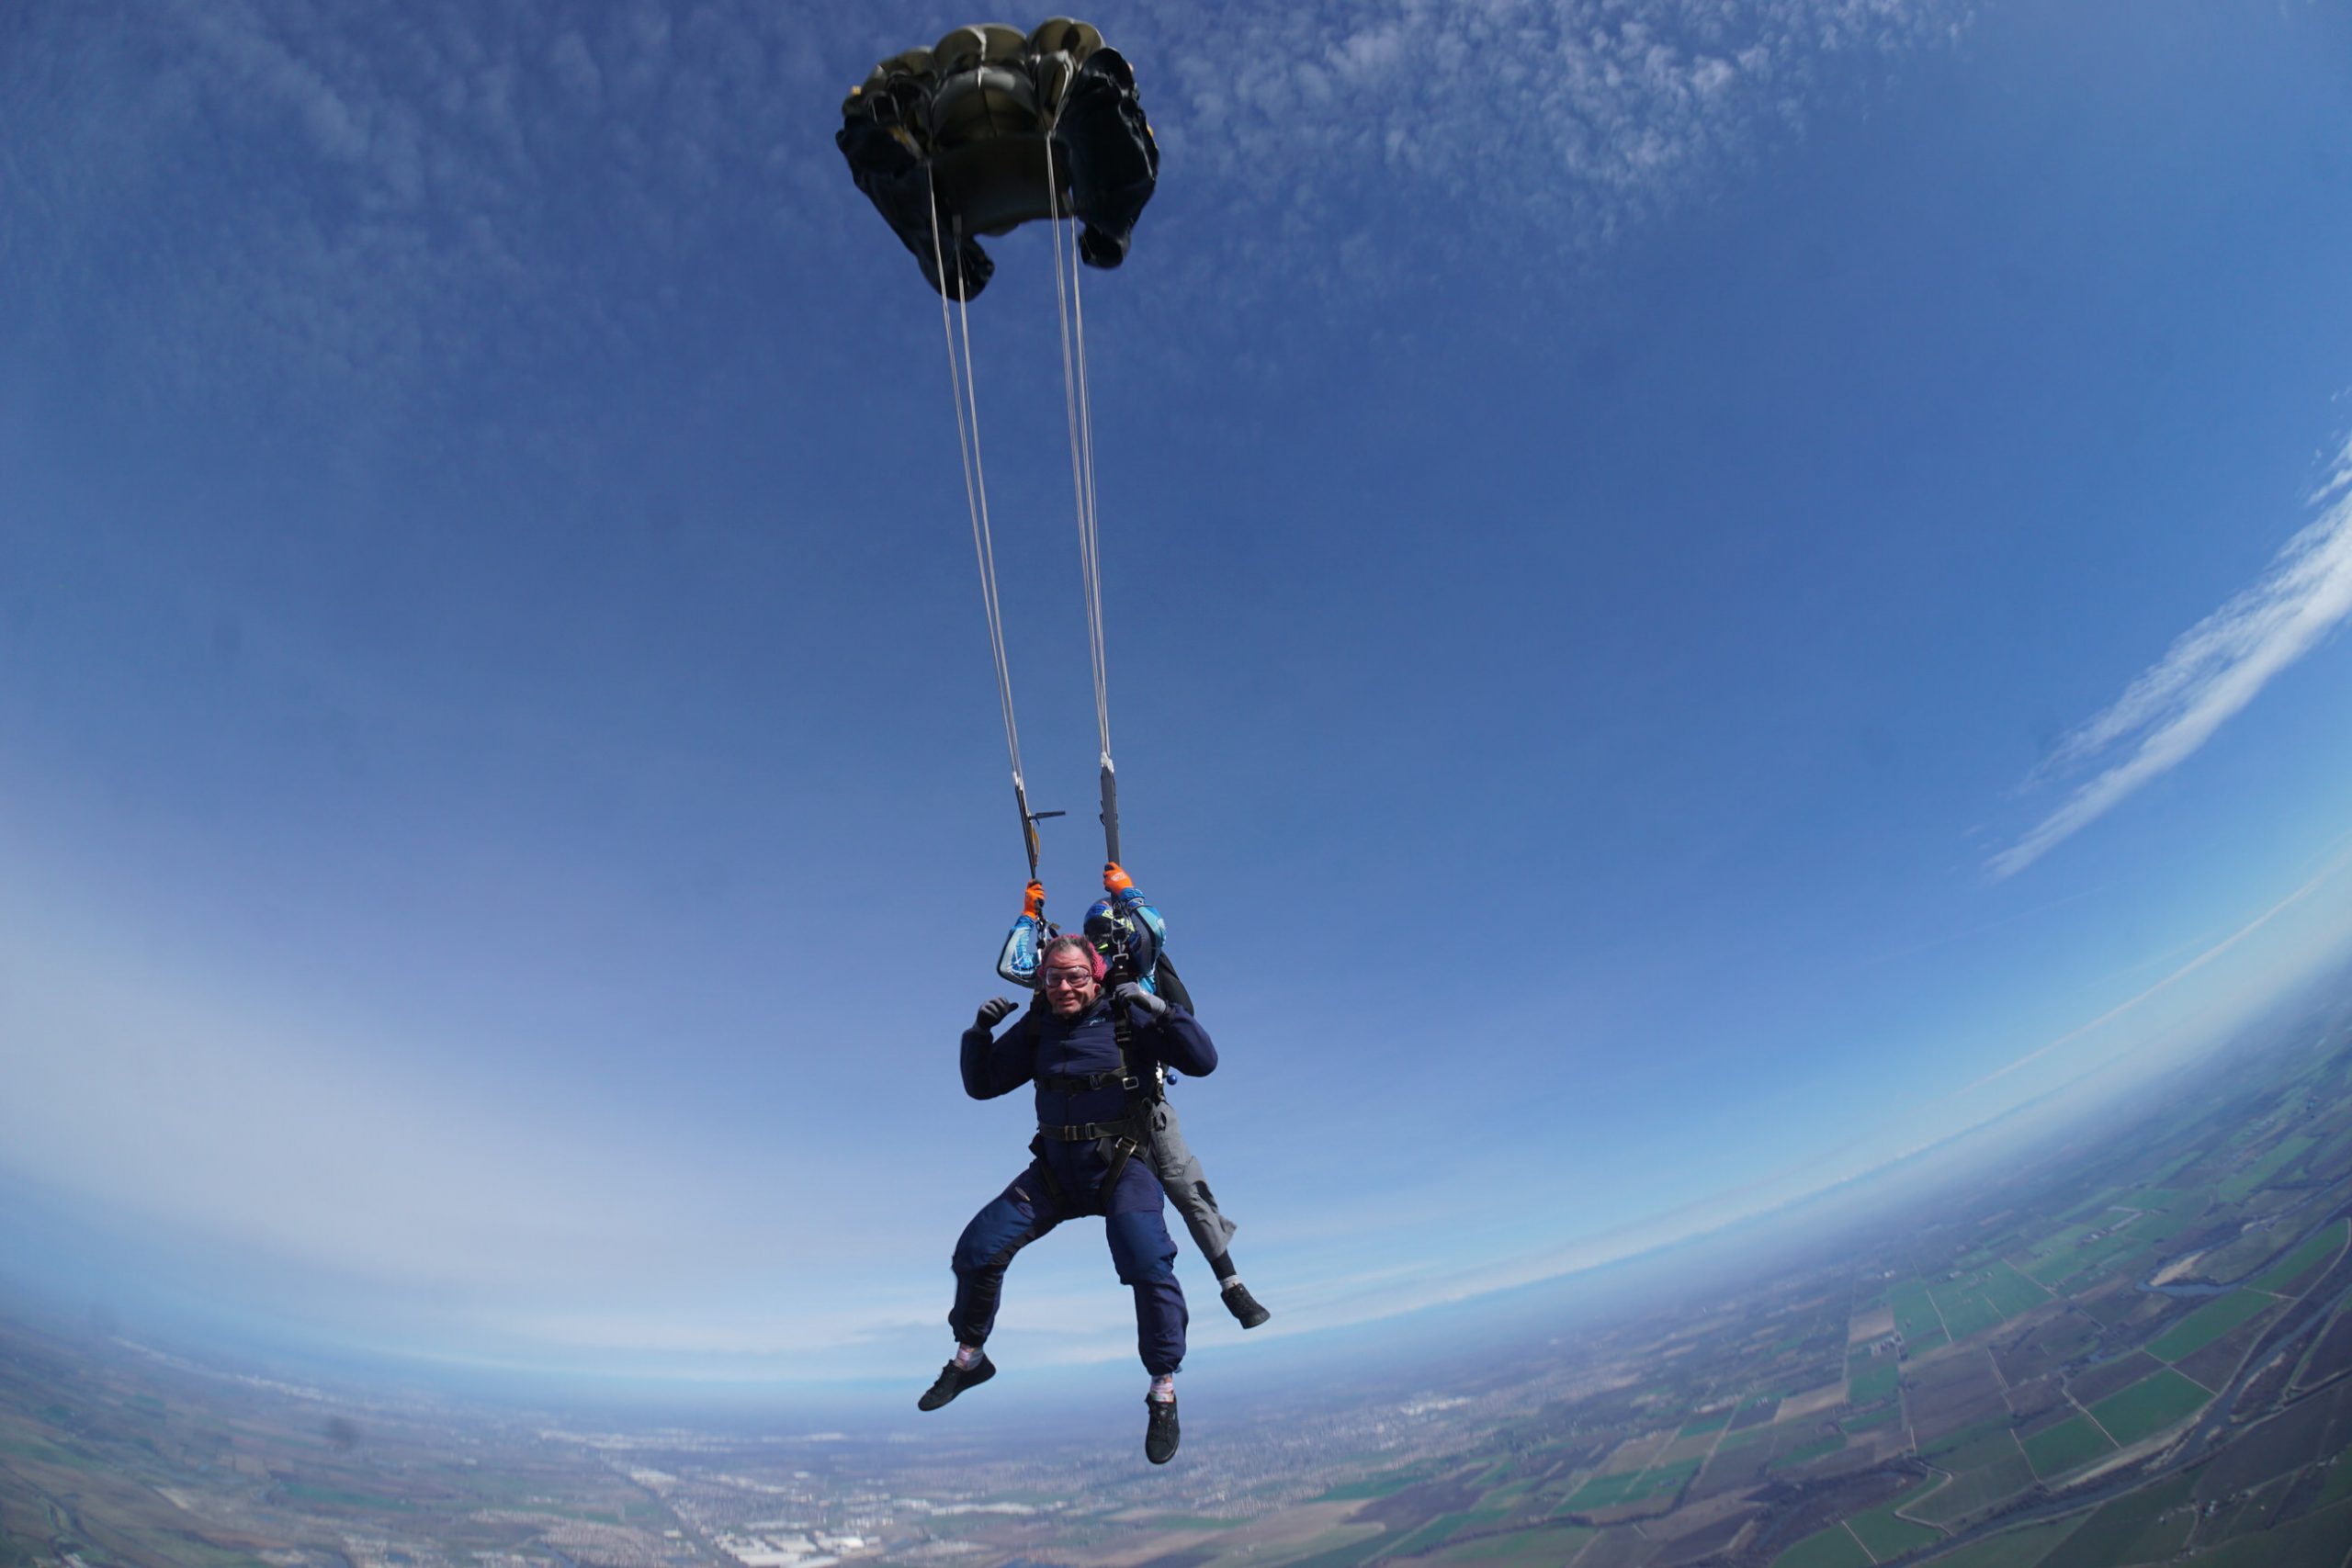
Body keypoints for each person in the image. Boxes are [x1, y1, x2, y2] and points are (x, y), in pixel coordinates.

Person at [922, 934, 1217, 1463]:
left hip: (1122, 1163)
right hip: (1056, 1172)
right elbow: (984, 1084)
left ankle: (1163, 1389)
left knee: (1147, 1261)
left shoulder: (1126, 1015)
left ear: (1095, 974)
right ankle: (969, 1358)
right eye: (1053, 977)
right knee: (977, 1250)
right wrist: (979, 1033)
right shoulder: (1040, 1027)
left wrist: (1162, 1010)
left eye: (1075, 976)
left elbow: (1202, 1061)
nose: (1063, 986)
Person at [997, 864, 1271, 1329]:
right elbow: (1016, 966)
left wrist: (1129, 894)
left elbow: (1155, 932)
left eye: (1107, 935)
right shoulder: (1075, 976)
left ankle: (1231, 1282)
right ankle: (1212, 1285)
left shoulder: (1137, 969)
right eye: (1093, 936)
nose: (1100, 944)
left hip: (1145, 1101)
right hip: (1104, 1114)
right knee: (1156, 1207)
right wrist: (1029, 918)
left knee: (1185, 1187)